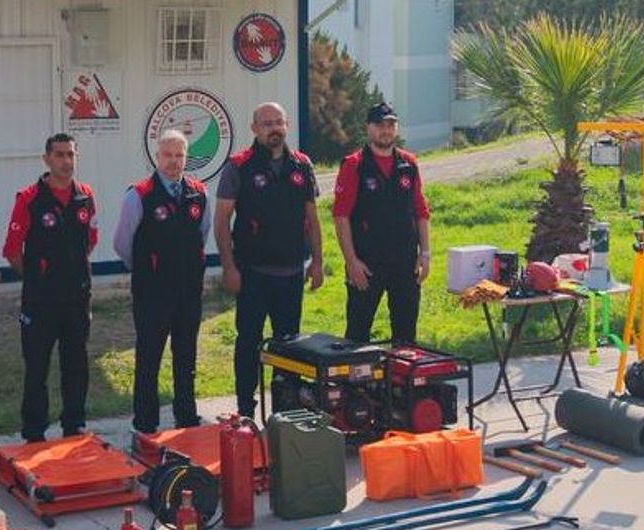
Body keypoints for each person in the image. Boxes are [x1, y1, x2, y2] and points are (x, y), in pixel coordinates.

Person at [214, 102, 324, 419]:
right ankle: (245, 409)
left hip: (291, 272)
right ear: (254, 128)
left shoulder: (302, 165)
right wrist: (229, 267)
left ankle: (285, 409)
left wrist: (317, 262)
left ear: (286, 125)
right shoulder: (238, 166)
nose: (274, 128)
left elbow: (312, 219)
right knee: (249, 341)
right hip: (252, 272)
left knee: (289, 346)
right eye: (267, 123)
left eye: (278, 122)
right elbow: (221, 221)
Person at [2, 132, 98, 442]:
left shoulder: (86, 196)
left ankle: (74, 424)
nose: (66, 161)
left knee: (76, 365)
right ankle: (34, 431)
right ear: (46, 159)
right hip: (40, 302)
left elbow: (90, 241)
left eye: (71, 154)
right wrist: (37, 277)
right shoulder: (29, 199)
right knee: (37, 369)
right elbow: (12, 250)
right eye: (59, 155)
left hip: (77, 299)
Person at [113, 130, 210, 434]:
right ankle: (145, 424)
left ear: (186, 158)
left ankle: (187, 417)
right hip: (152, 295)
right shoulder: (139, 195)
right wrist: (147, 270)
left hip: (188, 293)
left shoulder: (199, 194)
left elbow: (202, 235)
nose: (173, 161)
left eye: (179, 155)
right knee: (149, 359)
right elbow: (122, 244)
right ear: (156, 157)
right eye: (167, 155)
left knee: (186, 358)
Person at [331, 101, 431, 344]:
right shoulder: (354, 164)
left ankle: (400, 369)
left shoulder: (408, 163)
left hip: (405, 261)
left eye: (390, 125)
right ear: (368, 128)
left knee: (406, 335)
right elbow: (341, 216)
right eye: (379, 125)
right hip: (367, 263)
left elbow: (421, 210)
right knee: (357, 334)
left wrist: (425, 253)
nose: (385, 130)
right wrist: (351, 261)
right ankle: (358, 371)